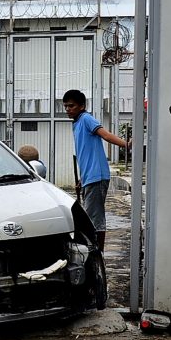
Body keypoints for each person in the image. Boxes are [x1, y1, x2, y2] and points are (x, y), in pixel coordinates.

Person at [62, 89, 130, 251]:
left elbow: (105, 135)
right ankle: (95, 252)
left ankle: (97, 253)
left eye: (71, 106)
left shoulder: (86, 119)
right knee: (91, 217)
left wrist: (126, 145)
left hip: (96, 176)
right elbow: (85, 155)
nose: (67, 109)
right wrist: (82, 179)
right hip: (89, 177)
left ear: (82, 106)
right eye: (65, 106)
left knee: (95, 219)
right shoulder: (77, 123)